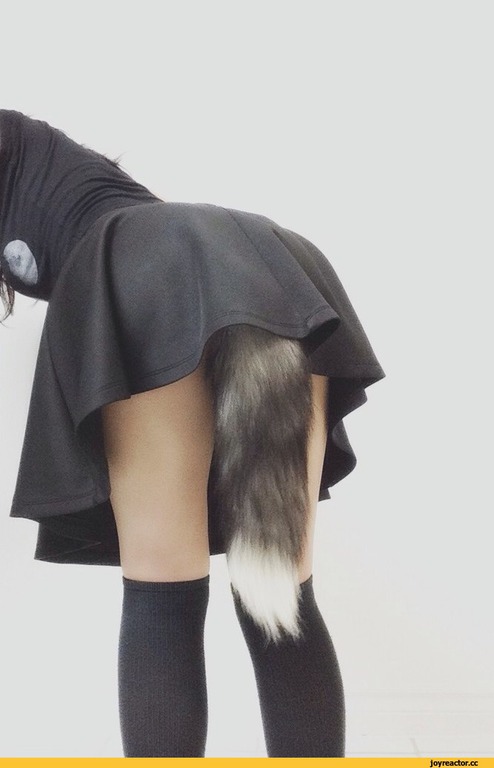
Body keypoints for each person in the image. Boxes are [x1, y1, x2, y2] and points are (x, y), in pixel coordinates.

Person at [0, 108, 386, 758]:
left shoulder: (99, 218)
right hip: (273, 260)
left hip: (151, 274)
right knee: (281, 591)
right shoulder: (52, 164)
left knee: (164, 593)